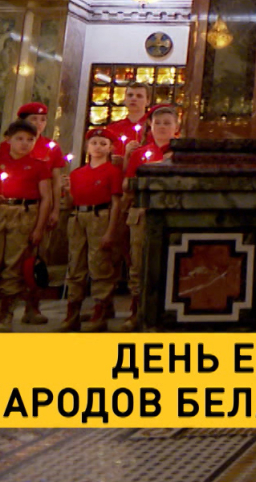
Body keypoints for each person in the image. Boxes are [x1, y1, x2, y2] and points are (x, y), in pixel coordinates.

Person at [0, 120, 53, 331]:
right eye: (19, 139)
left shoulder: (39, 166)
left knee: (14, 264)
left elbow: (46, 198)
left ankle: (6, 313)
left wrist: (39, 228)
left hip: (24, 215)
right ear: (8, 140)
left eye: (30, 140)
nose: (24, 144)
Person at [105, 104, 179, 331]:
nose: (162, 127)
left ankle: (165, 312)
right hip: (142, 212)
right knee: (138, 262)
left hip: (170, 212)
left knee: (169, 261)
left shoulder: (181, 154)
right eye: (158, 123)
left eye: (167, 123)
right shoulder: (140, 154)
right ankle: (136, 311)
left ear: (176, 127)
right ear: (150, 126)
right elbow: (127, 185)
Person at [10, 101, 67, 323]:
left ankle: (32, 307)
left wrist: (55, 209)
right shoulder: (12, 144)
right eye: (34, 119)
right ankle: (4, 307)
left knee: (37, 258)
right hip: (15, 208)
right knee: (11, 259)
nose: (39, 123)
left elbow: (56, 181)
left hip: (41, 208)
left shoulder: (51, 147)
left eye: (43, 120)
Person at [61, 128, 123, 332]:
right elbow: (70, 203)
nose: (98, 147)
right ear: (87, 147)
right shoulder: (77, 173)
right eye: (94, 143)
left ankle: (100, 311)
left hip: (100, 217)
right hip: (78, 218)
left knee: (100, 264)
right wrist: (66, 191)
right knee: (75, 264)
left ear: (110, 148)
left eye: (103, 144)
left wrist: (111, 231)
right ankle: (72, 313)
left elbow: (116, 203)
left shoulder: (112, 172)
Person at [105, 81, 152, 165]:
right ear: (125, 99)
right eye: (130, 95)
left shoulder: (153, 127)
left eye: (139, 96)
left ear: (148, 101)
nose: (134, 99)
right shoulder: (113, 128)